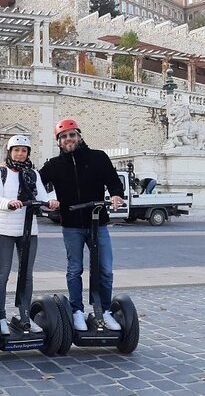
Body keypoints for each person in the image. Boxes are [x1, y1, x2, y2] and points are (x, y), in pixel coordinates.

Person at [39, 119, 124, 332]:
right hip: (72, 225)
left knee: (105, 269)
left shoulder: (98, 157)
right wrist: (47, 201)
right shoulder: (54, 165)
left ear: (79, 136)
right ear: (58, 142)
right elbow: (35, 184)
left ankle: (104, 310)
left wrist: (116, 195)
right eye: (63, 137)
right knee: (74, 269)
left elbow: (114, 181)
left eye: (72, 135)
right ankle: (77, 311)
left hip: (98, 223)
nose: (68, 139)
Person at [0, 135, 58, 335]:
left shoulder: (33, 173)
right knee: (3, 274)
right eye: (16, 150)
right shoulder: (0, 172)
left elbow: (42, 196)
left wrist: (51, 202)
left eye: (24, 150)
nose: (20, 153)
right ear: (10, 152)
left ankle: (25, 316)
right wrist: (8, 204)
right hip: (4, 229)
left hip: (28, 229)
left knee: (26, 274)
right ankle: (0, 316)